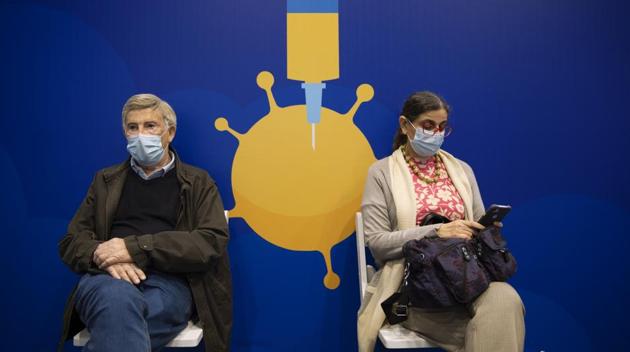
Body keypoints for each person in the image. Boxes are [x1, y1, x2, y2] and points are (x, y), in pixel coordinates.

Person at [57, 94, 232, 352]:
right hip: (107, 278)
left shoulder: (198, 182)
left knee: (114, 321)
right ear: (125, 133)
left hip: (169, 284)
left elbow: (210, 240)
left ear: (170, 132)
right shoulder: (105, 181)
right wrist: (99, 252)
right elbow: (71, 242)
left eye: (150, 126)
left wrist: (137, 248)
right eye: (132, 127)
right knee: (116, 301)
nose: (140, 135)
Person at [357, 92, 525, 352]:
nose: (435, 133)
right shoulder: (381, 173)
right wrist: (437, 231)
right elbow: (377, 243)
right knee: (496, 331)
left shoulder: (462, 170)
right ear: (405, 125)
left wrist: (486, 231)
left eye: (442, 127)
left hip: (468, 278)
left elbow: (477, 221)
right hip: (413, 289)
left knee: (506, 298)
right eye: (427, 125)